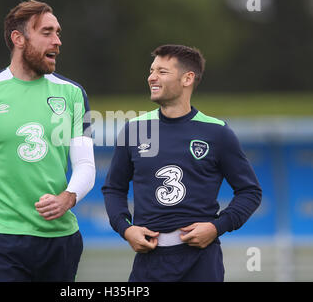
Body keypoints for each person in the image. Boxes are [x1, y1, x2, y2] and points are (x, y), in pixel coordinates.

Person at [0, 0, 95, 282]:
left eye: (58, 33)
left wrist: (67, 198)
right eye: (47, 32)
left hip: (60, 239)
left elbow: (86, 164)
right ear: (19, 38)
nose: (57, 41)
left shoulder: (74, 94)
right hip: (0, 236)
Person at [102, 44, 262, 282]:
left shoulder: (217, 132)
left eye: (162, 72)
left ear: (187, 78)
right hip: (149, 263)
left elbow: (250, 191)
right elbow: (114, 188)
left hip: (201, 263)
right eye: (151, 70)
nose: (152, 77)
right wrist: (126, 229)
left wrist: (217, 227)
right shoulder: (135, 129)